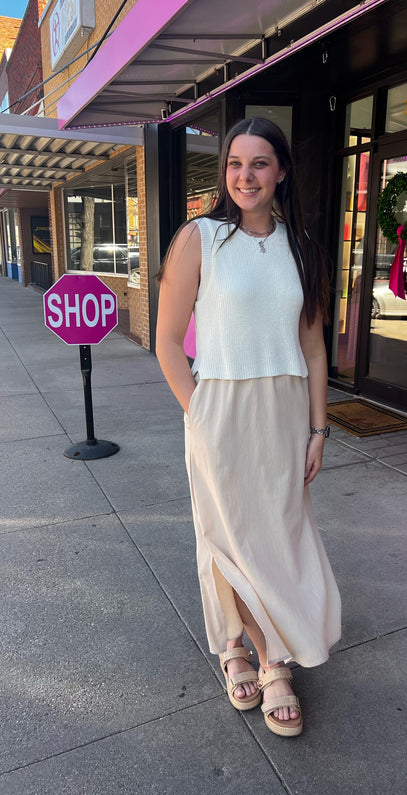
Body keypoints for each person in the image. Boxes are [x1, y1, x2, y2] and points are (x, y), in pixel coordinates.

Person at [156, 117, 341, 737]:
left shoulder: (302, 247)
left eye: (260, 164)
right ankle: (267, 662)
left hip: (286, 413)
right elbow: (166, 342)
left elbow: (313, 348)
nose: (246, 176)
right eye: (235, 164)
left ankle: (236, 643)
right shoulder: (199, 239)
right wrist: (198, 412)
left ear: (282, 171)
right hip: (221, 410)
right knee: (230, 537)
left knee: (280, 537)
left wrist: (319, 429)